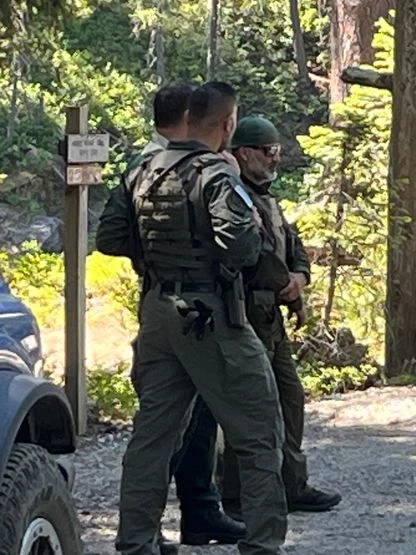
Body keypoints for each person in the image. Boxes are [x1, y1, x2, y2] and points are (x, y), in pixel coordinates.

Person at [103, 81, 288, 555]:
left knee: (153, 435)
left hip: (157, 312)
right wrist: (245, 226)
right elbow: (242, 249)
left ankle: (136, 542)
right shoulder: (217, 174)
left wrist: (159, 257)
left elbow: (110, 237)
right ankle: (263, 544)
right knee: (259, 431)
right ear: (228, 124)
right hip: (212, 316)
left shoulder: (141, 168)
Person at [206, 115, 342, 516]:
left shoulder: (268, 198)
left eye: (277, 150)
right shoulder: (234, 198)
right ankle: (235, 496)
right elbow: (258, 257)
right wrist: (288, 284)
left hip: (272, 318)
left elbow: (292, 246)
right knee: (249, 404)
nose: (275, 158)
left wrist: (300, 278)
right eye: (268, 151)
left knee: (290, 398)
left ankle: (292, 485)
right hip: (243, 312)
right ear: (243, 154)